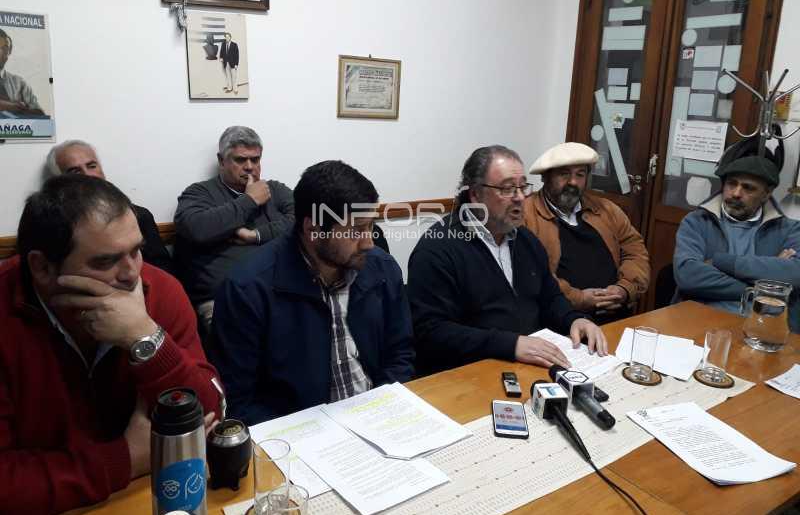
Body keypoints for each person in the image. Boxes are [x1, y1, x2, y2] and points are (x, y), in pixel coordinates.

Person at [0, 175, 223, 515]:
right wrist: (126, 458)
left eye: (136, 250)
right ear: (42, 267)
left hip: (149, 497)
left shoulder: (160, 290)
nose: (132, 274)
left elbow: (209, 413)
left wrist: (146, 337)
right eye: (105, 261)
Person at [209, 160, 414, 424]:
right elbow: (239, 401)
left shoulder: (381, 269)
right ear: (313, 230)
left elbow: (400, 354)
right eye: (356, 230)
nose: (369, 242)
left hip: (379, 415)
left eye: (371, 225)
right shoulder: (248, 289)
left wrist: (384, 408)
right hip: (299, 433)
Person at [408, 145, 607, 375]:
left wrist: (574, 320)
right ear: (475, 194)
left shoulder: (526, 240)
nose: (520, 197)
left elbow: (550, 297)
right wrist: (511, 345)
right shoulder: (437, 249)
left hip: (530, 365)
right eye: (508, 189)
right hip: (469, 373)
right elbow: (431, 332)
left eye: (523, 187)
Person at [174, 126, 294, 333]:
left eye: (255, 160)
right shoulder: (200, 193)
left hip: (280, 291)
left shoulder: (274, 190)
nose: (249, 167)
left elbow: (305, 221)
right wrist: (249, 201)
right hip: (224, 299)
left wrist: (257, 235)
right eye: (240, 160)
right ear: (222, 161)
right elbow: (196, 228)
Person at [673, 150, 800, 331]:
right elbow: (688, 276)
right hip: (700, 322)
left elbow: (795, 274)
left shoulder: (790, 230)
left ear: (767, 193)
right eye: (731, 184)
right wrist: (766, 286)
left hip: (764, 329)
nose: (736, 193)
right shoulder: (697, 221)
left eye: (748, 188)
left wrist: (721, 262)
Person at [524, 142, 650, 323]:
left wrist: (624, 289)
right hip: (560, 321)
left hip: (616, 315)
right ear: (545, 177)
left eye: (580, 174)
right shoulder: (525, 215)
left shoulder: (607, 210)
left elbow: (635, 251)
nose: (573, 182)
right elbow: (531, 274)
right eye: (564, 174)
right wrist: (579, 299)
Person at [46, 139, 174, 274]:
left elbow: (164, 271)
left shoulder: (139, 216)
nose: (87, 175)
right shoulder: (54, 224)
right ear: (59, 181)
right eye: (75, 171)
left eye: (92, 166)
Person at [0, 28, 44, 116]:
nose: (1, 51)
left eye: (5, 47)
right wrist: (10, 106)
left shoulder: (19, 83)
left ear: (9, 51)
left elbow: (40, 113)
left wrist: (18, 109)